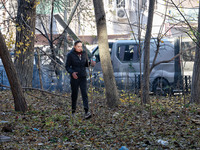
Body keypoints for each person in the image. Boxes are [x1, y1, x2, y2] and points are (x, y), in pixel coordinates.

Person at [65, 41, 95, 119]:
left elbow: (85, 64)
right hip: (75, 77)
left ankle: (86, 111)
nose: (80, 48)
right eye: (78, 46)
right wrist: (72, 73)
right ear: (74, 46)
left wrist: (90, 63)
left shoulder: (84, 53)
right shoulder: (70, 55)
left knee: (84, 93)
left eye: (81, 46)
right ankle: (73, 111)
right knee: (74, 94)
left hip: (83, 76)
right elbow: (67, 66)